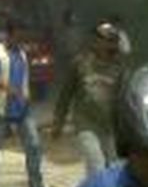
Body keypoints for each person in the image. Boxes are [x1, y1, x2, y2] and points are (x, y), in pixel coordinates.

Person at [52, 21, 125, 176]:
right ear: (96, 41)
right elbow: (66, 95)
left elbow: (125, 99)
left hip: (110, 127)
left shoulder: (119, 68)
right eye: (104, 39)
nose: (107, 44)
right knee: (96, 164)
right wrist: (58, 122)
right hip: (85, 123)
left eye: (111, 40)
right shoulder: (80, 64)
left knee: (116, 167)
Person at [0, 20, 45, 187]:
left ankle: (36, 182)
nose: (21, 39)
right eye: (18, 36)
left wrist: (25, 95)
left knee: (33, 144)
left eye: (22, 36)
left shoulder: (22, 54)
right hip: (2, 107)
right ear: (9, 35)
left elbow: (24, 77)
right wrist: (11, 90)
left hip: (23, 107)